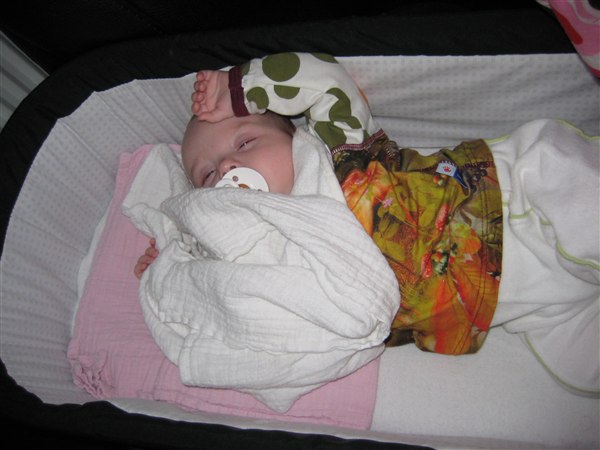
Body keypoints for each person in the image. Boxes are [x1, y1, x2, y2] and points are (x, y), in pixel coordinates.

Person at [134, 53, 598, 390]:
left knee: (584, 210)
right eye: (208, 176)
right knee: (579, 368)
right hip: (506, 305)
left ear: (293, 135)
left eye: (244, 143)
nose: (228, 169)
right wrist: (179, 258)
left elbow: (327, 82)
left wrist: (240, 88)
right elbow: (231, 295)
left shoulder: (342, 156)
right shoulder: (256, 255)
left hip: (503, 202)